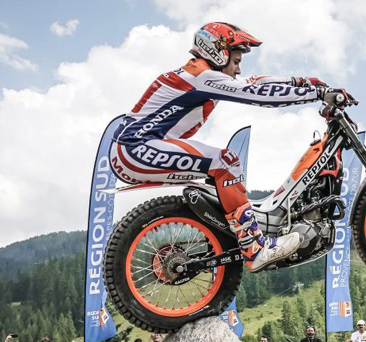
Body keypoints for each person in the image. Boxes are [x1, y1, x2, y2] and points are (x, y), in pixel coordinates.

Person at [110, 22, 343, 271]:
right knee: (226, 162)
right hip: (136, 148)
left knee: (221, 171)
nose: (238, 69)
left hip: (133, 149)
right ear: (218, 52)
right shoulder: (203, 76)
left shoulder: (201, 74)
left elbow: (255, 81)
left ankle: (228, 235)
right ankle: (255, 249)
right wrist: (317, 95)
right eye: (236, 60)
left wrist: (302, 81)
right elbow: (256, 93)